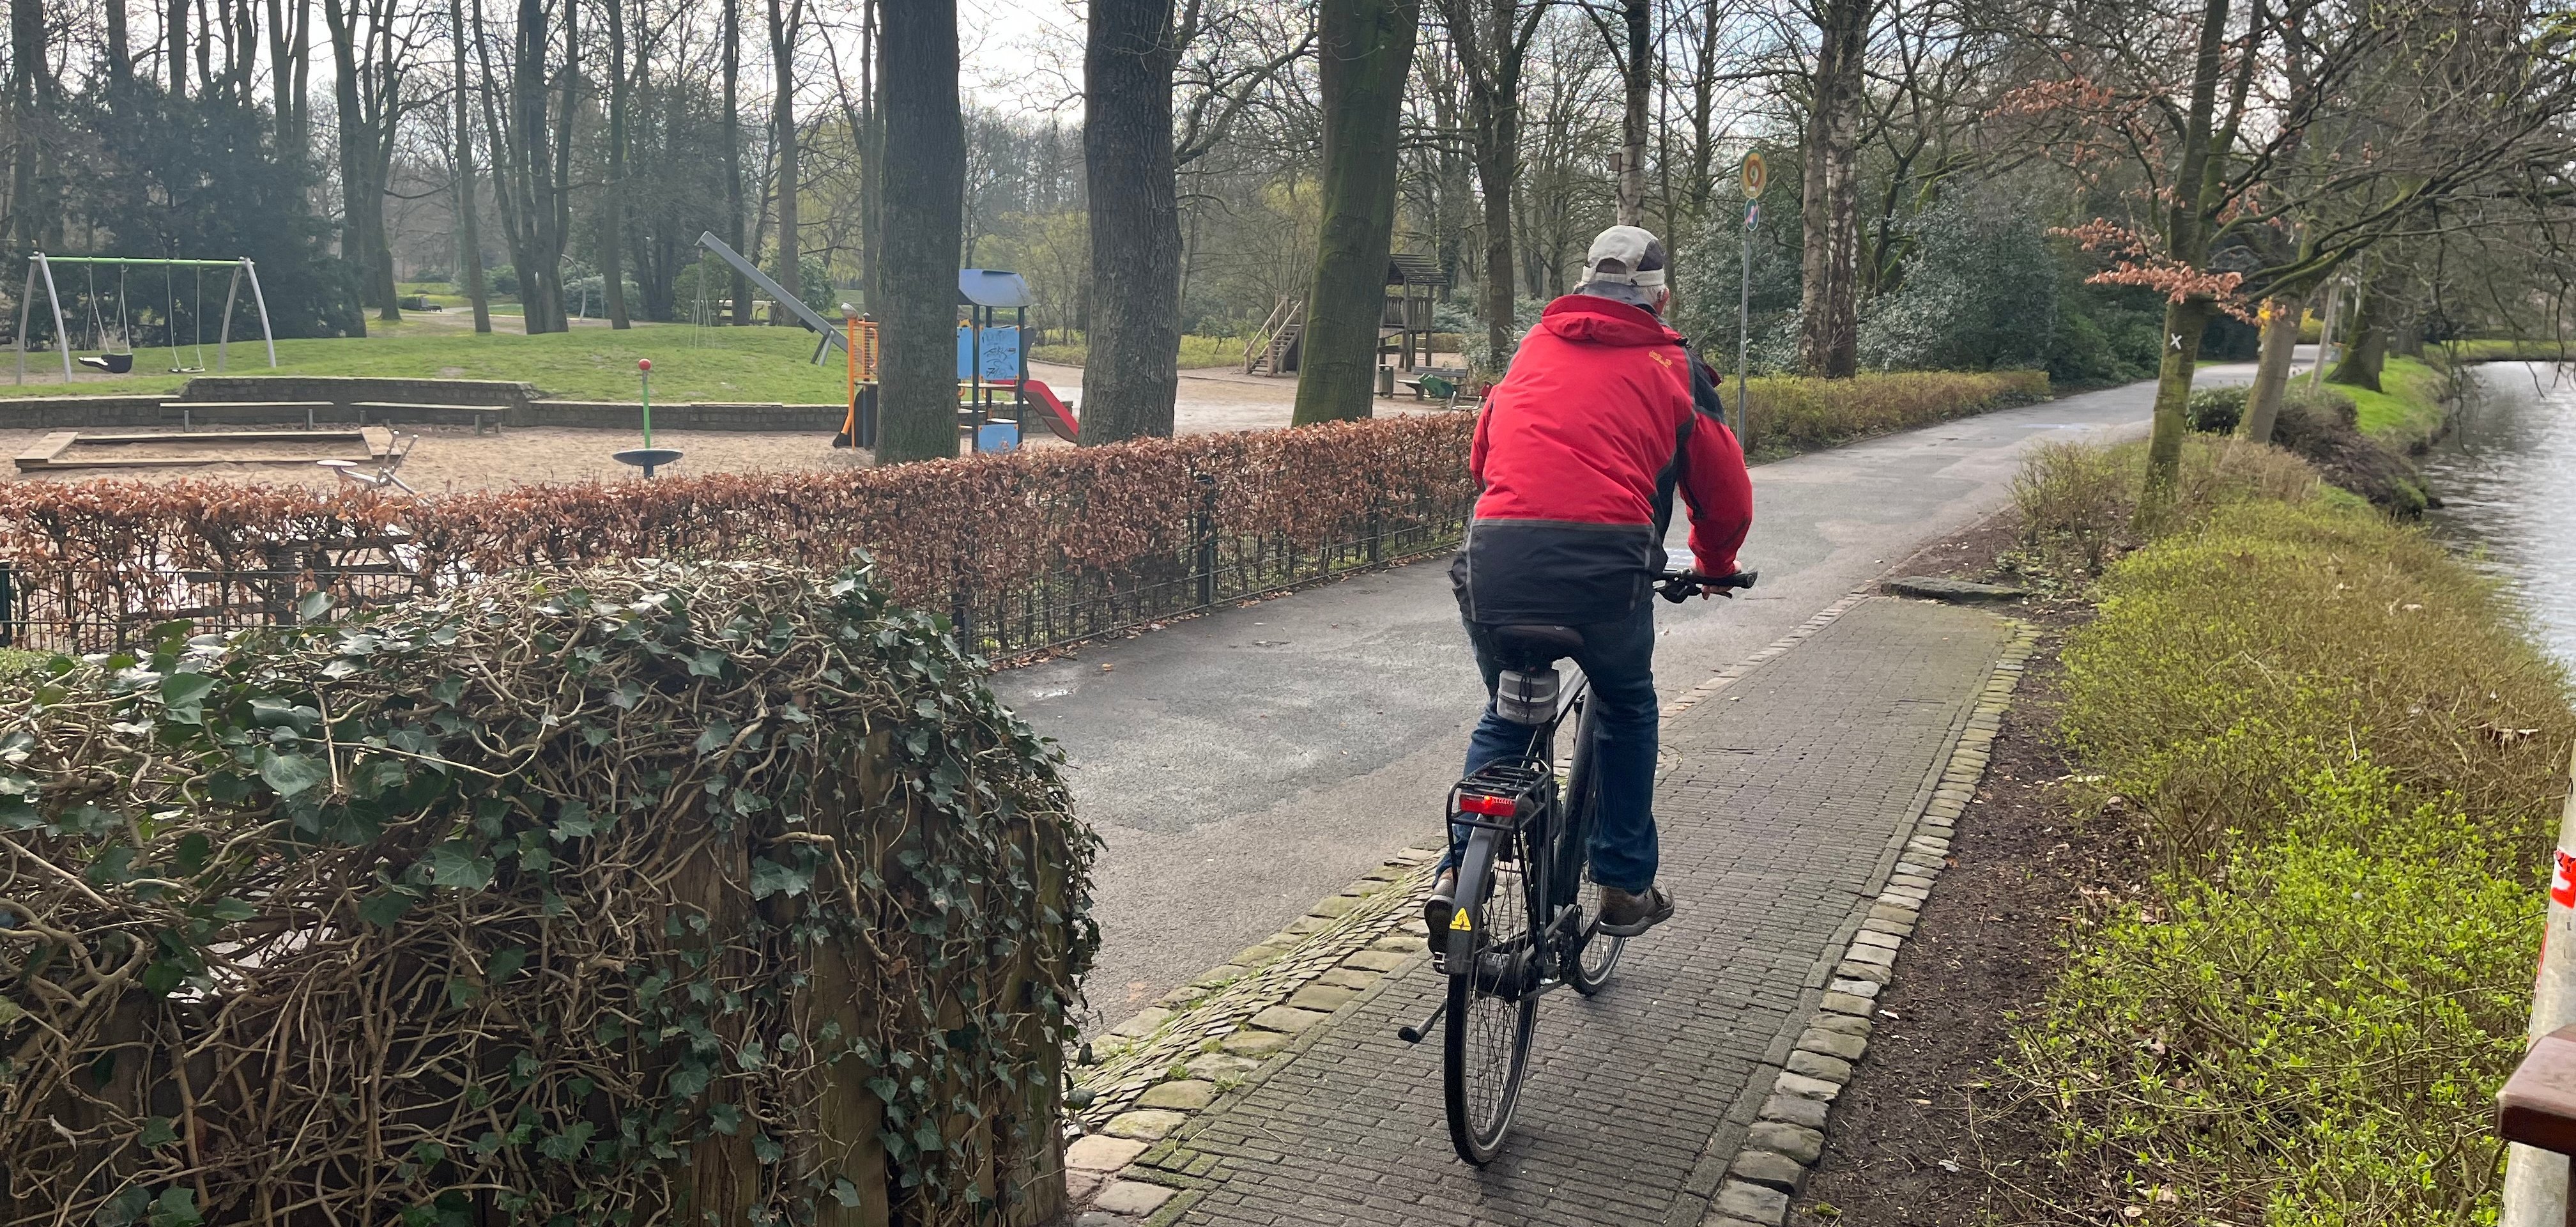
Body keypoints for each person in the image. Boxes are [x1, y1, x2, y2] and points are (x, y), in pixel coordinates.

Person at [1439, 224, 1754, 937]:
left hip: (1497, 561)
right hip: (1606, 571)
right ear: (1661, 298)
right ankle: (1621, 881)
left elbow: (1481, 458)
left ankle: (1459, 873)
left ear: (1582, 285)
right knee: (1626, 704)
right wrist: (1715, 564)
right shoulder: (1675, 367)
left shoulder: (1530, 351)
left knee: (1509, 709)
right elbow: (1725, 493)